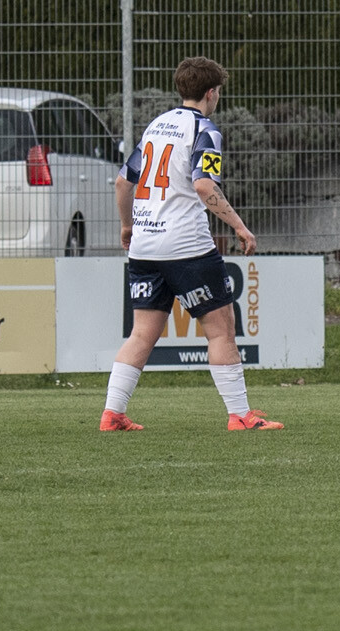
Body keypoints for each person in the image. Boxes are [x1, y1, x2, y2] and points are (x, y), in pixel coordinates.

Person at [101, 57, 280, 433]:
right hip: (186, 246)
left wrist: (127, 226)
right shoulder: (204, 129)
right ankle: (240, 415)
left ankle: (112, 414)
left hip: (145, 246)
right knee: (220, 328)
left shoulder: (156, 126)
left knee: (142, 333)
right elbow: (203, 185)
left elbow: (122, 182)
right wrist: (240, 227)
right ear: (211, 93)